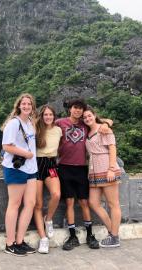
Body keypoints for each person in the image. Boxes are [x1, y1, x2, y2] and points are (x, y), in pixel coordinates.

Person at [56, 98, 112, 251]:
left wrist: (106, 124)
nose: (78, 110)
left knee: (84, 203)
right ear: (70, 109)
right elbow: (44, 126)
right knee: (69, 202)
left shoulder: (85, 124)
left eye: (81, 108)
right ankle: (72, 236)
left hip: (81, 168)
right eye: (75, 107)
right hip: (64, 168)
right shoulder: (60, 122)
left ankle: (89, 235)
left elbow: (105, 121)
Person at [1, 93, 38, 256]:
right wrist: (25, 153)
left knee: (30, 204)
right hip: (16, 168)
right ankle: (10, 243)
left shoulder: (30, 122)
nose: (26, 106)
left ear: (32, 106)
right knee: (14, 204)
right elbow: (6, 146)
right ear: (18, 106)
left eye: (29, 104)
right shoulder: (13, 123)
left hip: (31, 168)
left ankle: (20, 241)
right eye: (23, 104)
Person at [83, 106, 122, 248]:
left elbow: (112, 148)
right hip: (94, 171)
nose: (87, 118)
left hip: (106, 168)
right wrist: (106, 121)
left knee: (113, 204)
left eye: (89, 116)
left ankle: (114, 236)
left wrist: (111, 168)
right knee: (93, 202)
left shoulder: (103, 129)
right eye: (85, 117)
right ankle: (113, 231)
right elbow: (106, 120)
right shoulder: (88, 131)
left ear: (94, 115)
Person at [34, 105, 62, 254]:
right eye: (45, 114)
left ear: (54, 116)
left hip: (51, 165)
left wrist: (106, 122)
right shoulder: (36, 129)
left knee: (56, 194)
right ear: (41, 116)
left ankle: (48, 219)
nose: (48, 117)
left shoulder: (58, 129)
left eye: (50, 114)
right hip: (37, 165)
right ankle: (43, 239)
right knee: (37, 204)